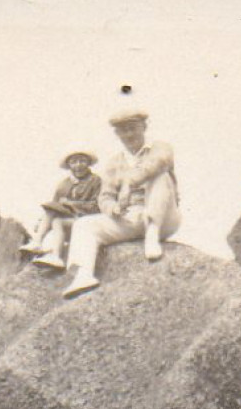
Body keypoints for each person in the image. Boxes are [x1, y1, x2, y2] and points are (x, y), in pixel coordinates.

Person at [37, 104, 181, 298]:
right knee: (84, 224)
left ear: (144, 127)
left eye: (133, 128)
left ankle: (152, 235)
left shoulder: (160, 147)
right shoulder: (114, 163)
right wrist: (112, 208)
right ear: (117, 134)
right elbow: (105, 196)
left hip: (163, 217)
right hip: (131, 217)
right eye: (123, 130)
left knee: (160, 177)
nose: (129, 134)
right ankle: (84, 275)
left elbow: (158, 163)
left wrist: (130, 182)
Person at [22, 151, 102, 263]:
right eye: (74, 162)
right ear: (69, 165)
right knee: (56, 220)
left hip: (87, 220)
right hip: (69, 221)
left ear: (88, 163)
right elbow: (54, 206)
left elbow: (97, 206)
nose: (78, 165)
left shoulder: (96, 180)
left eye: (82, 161)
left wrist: (72, 203)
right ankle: (43, 246)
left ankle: (45, 247)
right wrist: (41, 222)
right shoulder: (64, 184)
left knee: (57, 219)